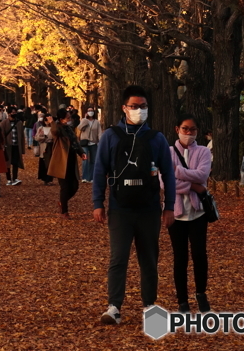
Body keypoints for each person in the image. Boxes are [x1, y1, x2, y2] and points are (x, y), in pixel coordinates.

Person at [92, 84, 176, 326]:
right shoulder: (111, 136)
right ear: (123, 108)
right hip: (120, 208)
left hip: (149, 208)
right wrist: (98, 203)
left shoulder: (156, 138)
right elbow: (99, 171)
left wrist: (169, 206)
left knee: (149, 259)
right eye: (134, 106)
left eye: (143, 107)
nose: (139, 110)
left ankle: (150, 306)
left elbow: (168, 174)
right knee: (118, 258)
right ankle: (114, 306)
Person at [167, 114, 212, 313]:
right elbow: (163, 182)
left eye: (192, 130)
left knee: (199, 254)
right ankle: (182, 300)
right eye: (185, 129)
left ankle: (201, 293)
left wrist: (177, 172)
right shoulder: (167, 152)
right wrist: (194, 185)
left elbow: (203, 175)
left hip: (197, 213)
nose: (188, 133)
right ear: (177, 129)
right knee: (180, 257)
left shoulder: (203, 151)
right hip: (176, 213)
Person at [48, 107, 86, 217]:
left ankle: (62, 202)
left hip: (71, 159)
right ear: (61, 119)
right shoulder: (58, 128)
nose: (69, 119)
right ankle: (64, 211)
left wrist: (81, 152)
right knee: (64, 186)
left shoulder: (69, 128)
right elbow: (54, 132)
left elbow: (75, 142)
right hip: (61, 160)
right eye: (67, 118)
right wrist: (52, 123)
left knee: (74, 186)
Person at [2, 107, 25, 186]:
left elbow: (22, 136)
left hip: (16, 145)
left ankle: (15, 178)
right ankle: (8, 179)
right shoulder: (4, 123)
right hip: (7, 146)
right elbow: (2, 135)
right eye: (12, 112)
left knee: (15, 162)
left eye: (15, 112)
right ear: (8, 113)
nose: (14, 114)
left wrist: (22, 148)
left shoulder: (19, 123)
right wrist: (3, 145)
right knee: (7, 163)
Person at [78, 108, 102, 183]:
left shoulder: (97, 122)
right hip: (85, 143)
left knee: (93, 161)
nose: (90, 112)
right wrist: (85, 119)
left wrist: (100, 141)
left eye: (91, 111)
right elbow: (79, 128)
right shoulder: (84, 120)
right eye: (89, 111)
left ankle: (92, 177)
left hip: (94, 143)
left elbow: (99, 132)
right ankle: (84, 177)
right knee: (85, 160)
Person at [34, 112, 55, 184]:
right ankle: (44, 178)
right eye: (46, 120)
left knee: (50, 162)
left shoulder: (53, 128)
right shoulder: (41, 128)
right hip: (43, 146)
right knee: (43, 162)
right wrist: (42, 137)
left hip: (51, 146)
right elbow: (36, 137)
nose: (47, 122)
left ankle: (49, 179)